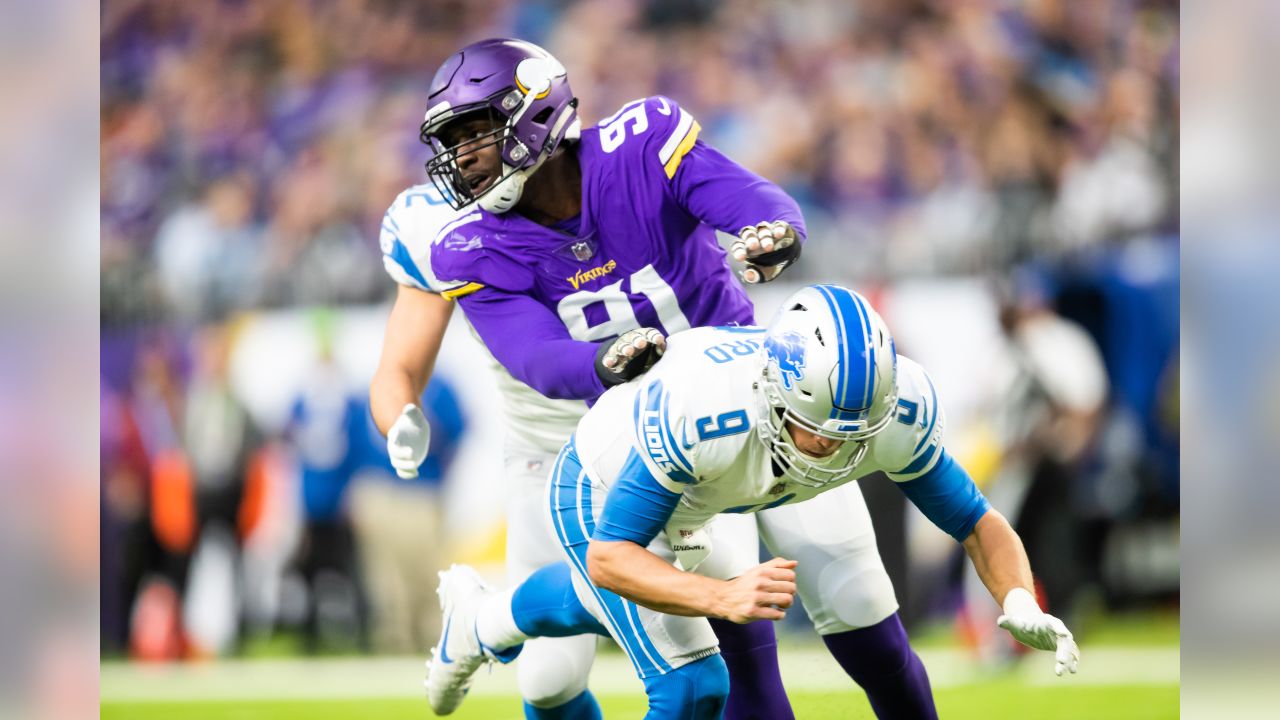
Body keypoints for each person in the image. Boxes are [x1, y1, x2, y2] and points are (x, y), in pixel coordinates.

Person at [371, 38, 907, 719]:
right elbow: (508, 359)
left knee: (754, 631)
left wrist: (773, 231)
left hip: (710, 415)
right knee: (551, 680)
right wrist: (400, 417)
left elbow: (751, 201)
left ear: (533, 115)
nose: (462, 158)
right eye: (453, 141)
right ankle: (489, 622)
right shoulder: (446, 231)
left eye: (475, 133)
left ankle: (491, 621)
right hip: (559, 444)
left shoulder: (640, 146)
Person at [425, 284, 1081, 719]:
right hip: (612, 485)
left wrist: (1017, 597)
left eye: (852, 436)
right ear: (776, 392)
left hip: (732, 485)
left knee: (873, 636)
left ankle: (491, 620)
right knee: (691, 685)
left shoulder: (892, 407)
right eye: (816, 430)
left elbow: (977, 522)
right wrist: (718, 599)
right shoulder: (706, 413)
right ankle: (488, 622)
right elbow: (611, 557)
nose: (831, 451)